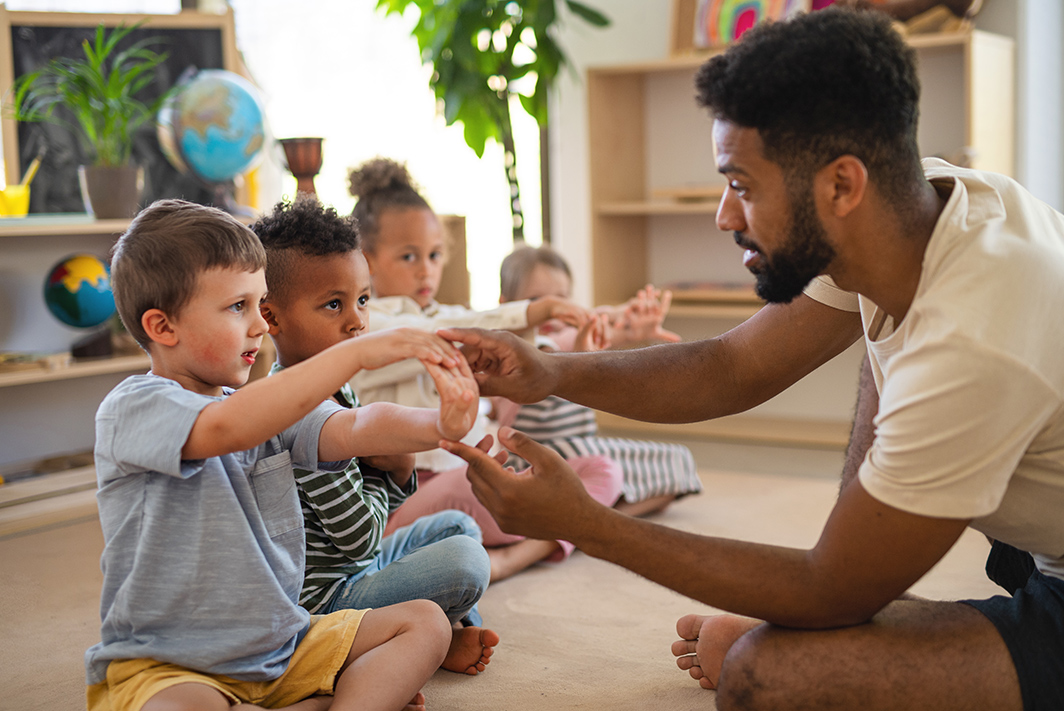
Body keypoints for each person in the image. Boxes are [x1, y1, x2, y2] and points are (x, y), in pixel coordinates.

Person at [436, 8, 1064, 711]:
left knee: (766, 675)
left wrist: (586, 522)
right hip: (1039, 552)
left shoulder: (973, 333)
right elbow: (732, 366)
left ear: (841, 184)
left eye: (742, 184)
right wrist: (550, 372)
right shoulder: (912, 211)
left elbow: (829, 582)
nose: (725, 216)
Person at [86, 199, 475, 711]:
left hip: (283, 643)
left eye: (259, 303)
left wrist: (439, 426)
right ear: (163, 327)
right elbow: (224, 427)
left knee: (423, 622)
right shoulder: (134, 408)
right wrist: (353, 354)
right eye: (237, 307)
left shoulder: (262, 408)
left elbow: (357, 425)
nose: (259, 325)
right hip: (172, 662)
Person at [346, 158, 625, 582]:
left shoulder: (445, 312)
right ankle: (493, 541)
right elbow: (447, 333)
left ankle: (516, 555)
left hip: (479, 473)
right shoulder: (366, 325)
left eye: (435, 255)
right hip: (412, 494)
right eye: (409, 256)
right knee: (472, 485)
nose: (427, 269)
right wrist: (533, 310)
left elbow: (493, 328)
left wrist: (598, 330)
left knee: (601, 469)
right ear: (366, 261)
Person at [251, 196, 498, 675]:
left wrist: (390, 471)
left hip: (354, 571)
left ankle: (430, 637)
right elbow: (363, 539)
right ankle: (407, 641)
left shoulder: (336, 387)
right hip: (325, 602)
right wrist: (399, 469)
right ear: (271, 318)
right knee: (466, 561)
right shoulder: (295, 410)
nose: (357, 320)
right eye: (333, 305)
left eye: (362, 300)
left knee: (459, 528)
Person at [494, 244, 701, 517]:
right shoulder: (514, 348)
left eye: (561, 300)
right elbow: (565, 343)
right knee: (598, 460)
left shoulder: (574, 337)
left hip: (583, 455)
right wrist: (619, 321)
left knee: (678, 460)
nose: (553, 311)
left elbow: (586, 331)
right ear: (505, 307)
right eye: (537, 302)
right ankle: (588, 518)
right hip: (529, 461)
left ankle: (603, 519)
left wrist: (622, 326)